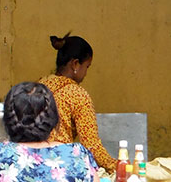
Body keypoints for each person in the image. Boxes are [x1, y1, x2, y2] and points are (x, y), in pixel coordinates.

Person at [40, 32, 117, 173]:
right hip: (59, 166)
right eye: (87, 66)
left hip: (32, 161)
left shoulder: (39, 85)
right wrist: (117, 167)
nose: (86, 73)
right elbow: (91, 145)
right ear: (75, 64)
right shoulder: (77, 95)